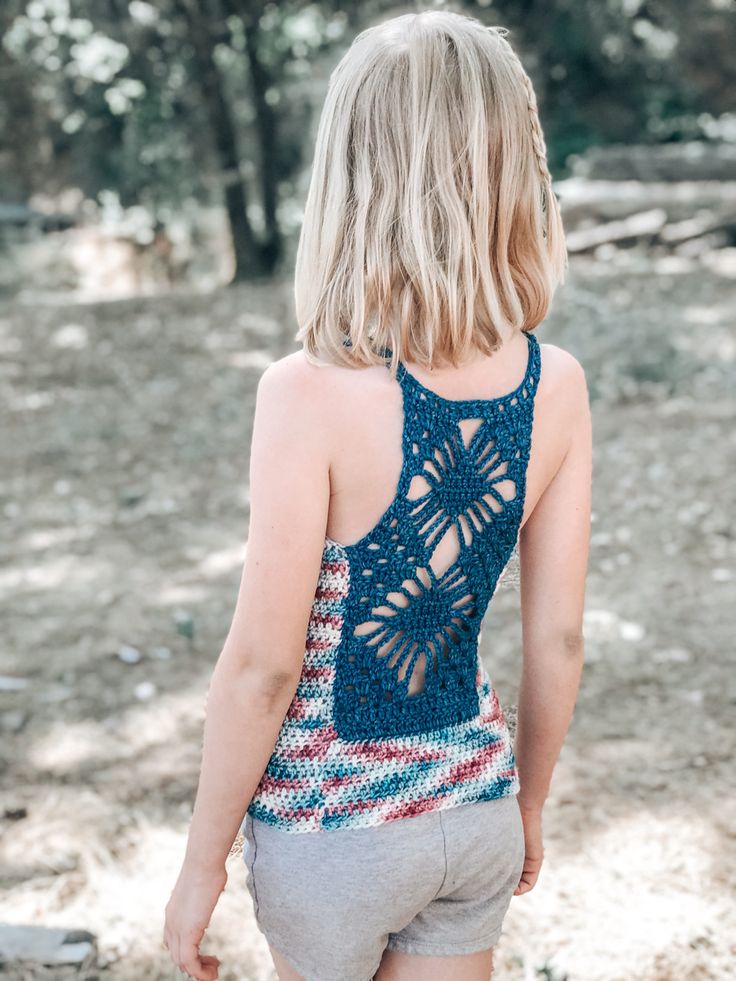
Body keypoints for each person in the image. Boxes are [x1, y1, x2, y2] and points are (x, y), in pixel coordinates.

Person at [163, 9, 591, 981]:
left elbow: (263, 668)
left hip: (332, 833)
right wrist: (525, 803)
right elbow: (557, 639)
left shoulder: (306, 393)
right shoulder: (552, 383)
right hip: (473, 812)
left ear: (352, 174)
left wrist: (202, 863)